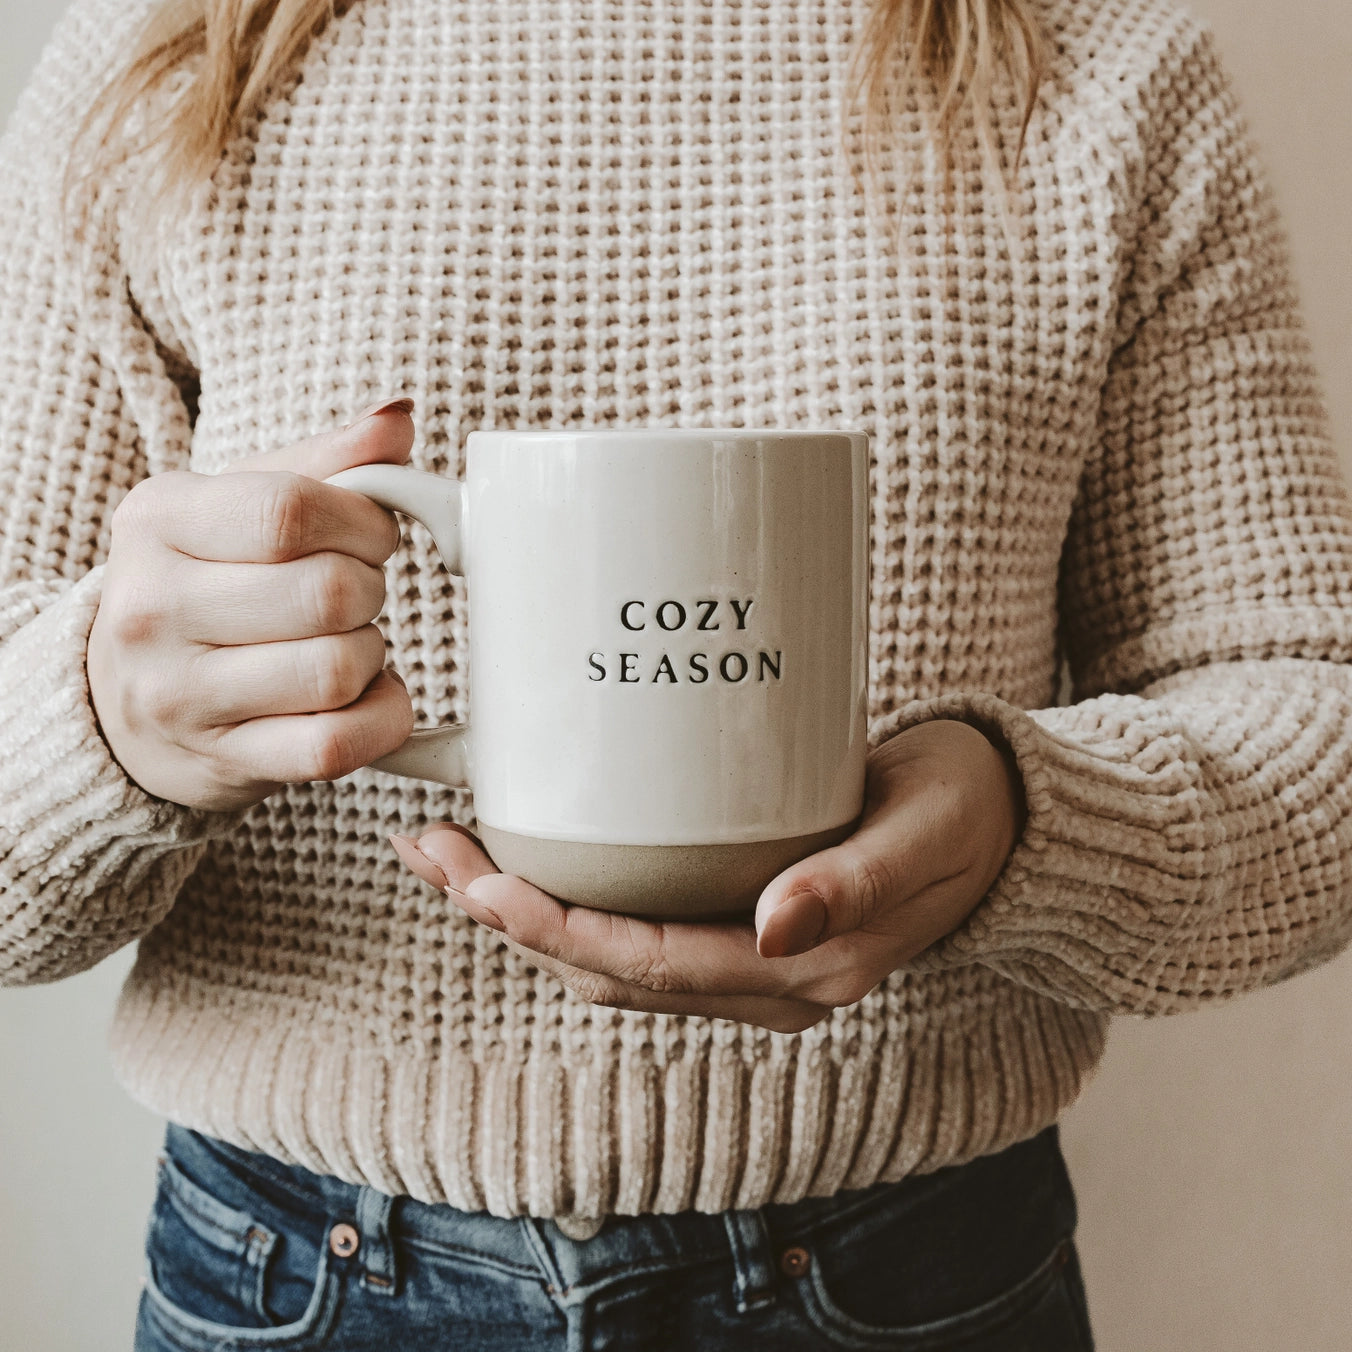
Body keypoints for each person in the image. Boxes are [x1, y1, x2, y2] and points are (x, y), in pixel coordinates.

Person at [2, 0, 1350, 1346]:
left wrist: (1022, 822)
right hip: (300, 1276)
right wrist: (107, 725)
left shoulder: (1101, 59)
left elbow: (1308, 716)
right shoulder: (160, 53)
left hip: (916, 1277)